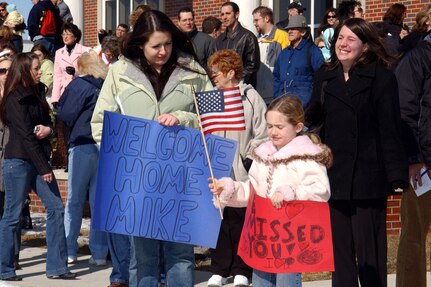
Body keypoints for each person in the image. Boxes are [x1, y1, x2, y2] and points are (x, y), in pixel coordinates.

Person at [91, 10, 213, 287]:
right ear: (140, 44)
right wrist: (119, 161)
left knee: (181, 254)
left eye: (168, 44)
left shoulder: (193, 70)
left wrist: (183, 119)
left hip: (181, 177)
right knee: (142, 255)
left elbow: (214, 119)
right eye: (155, 46)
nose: (163, 51)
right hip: (137, 178)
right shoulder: (120, 72)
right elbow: (100, 123)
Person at [306, 18, 408, 287]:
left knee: (370, 252)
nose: (344, 44)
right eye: (340, 38)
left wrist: (396, 174)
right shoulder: (325, 76)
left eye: (351, 39)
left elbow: (390, 128)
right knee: (339, 253)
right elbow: (312, 114)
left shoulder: (382, 78)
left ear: (365, 46)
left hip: (369, 176)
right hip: (335, 174)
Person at [209, 95, 332, 287]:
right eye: (269, 125)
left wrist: (290, 192)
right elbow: (253, 190)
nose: (273, 132)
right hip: (263, 235)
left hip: (290, 238)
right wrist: (229, 188)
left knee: (286, 282)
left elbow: (321, 190)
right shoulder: (262, 155)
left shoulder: (306, 156)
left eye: (279, 127)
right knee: (260, 282)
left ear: (298, 127)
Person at [0, 52, 76, 281]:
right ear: (24, 70)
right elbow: (24, 135)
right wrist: (45, 169)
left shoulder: (39, 91)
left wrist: (49, 130)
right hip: (18, 161)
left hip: (38, 159)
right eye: (35, 68)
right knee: (12, 216)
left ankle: (56, 267)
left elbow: (49, 123)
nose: (40, 71)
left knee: (56, 208)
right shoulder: (13, 97)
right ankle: (5, 269)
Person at [206, 49, 267, 287]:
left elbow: (261, 132)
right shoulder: (211, 96)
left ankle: (243, 268)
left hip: (241, 170)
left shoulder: (251, 97)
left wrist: (249, 158)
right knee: (219, 219)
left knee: (242, 220)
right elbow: (203, 125)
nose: (214, 76)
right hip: (217, 168)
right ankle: (220, 268)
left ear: (231, 72)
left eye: (217, 72)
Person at [57, 51, 109, 267]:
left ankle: (70, 250)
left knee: (74, 201)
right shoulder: (106, 85)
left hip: (82, 144)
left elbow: (65, 114)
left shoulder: (79, 86)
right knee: (99, 203)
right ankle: (99, 253)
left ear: (82, 67)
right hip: (104, 145)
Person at [395, 20, 431, 287]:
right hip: (424, 164)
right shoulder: (418, 57)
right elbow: (404, 111)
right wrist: (413, 158)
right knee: (414, 235)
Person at [273, 15, 324, 106]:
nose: (289, 31)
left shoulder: (313, 51)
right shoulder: (283, 53)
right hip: (283, 106)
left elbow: (321, 77)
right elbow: (276, 77)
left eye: (293, 29)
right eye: (288, 29)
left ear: (303, 32)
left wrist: (313, 102)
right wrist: (277, 97)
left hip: (305, 108)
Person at [215, 2, 260, 88]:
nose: (224, 17)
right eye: (222, 14)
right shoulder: (219, 40)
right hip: (223, 88)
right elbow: (216, 65)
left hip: (242, 88)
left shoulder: (248, 37)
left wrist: (235, 81)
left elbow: (252, 66)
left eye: (228, 13)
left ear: (237, 14)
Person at [252, 6, 289, 105]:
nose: (254, 23)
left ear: (266, 18)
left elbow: (287, 65)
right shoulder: (256, 40)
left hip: (276, 94)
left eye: (256, 20)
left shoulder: (282, 36)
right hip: (259, 93)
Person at [51, 22, 90, 105]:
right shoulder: (58, 52)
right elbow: (57, 77)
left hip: (80, 91)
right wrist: (55, 98)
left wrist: (75, 72)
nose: (65, 37)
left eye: (68, 34)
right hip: (64, 92)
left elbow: (90, 73)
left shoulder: (85, 51)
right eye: (63, 34)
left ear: (75, 37)